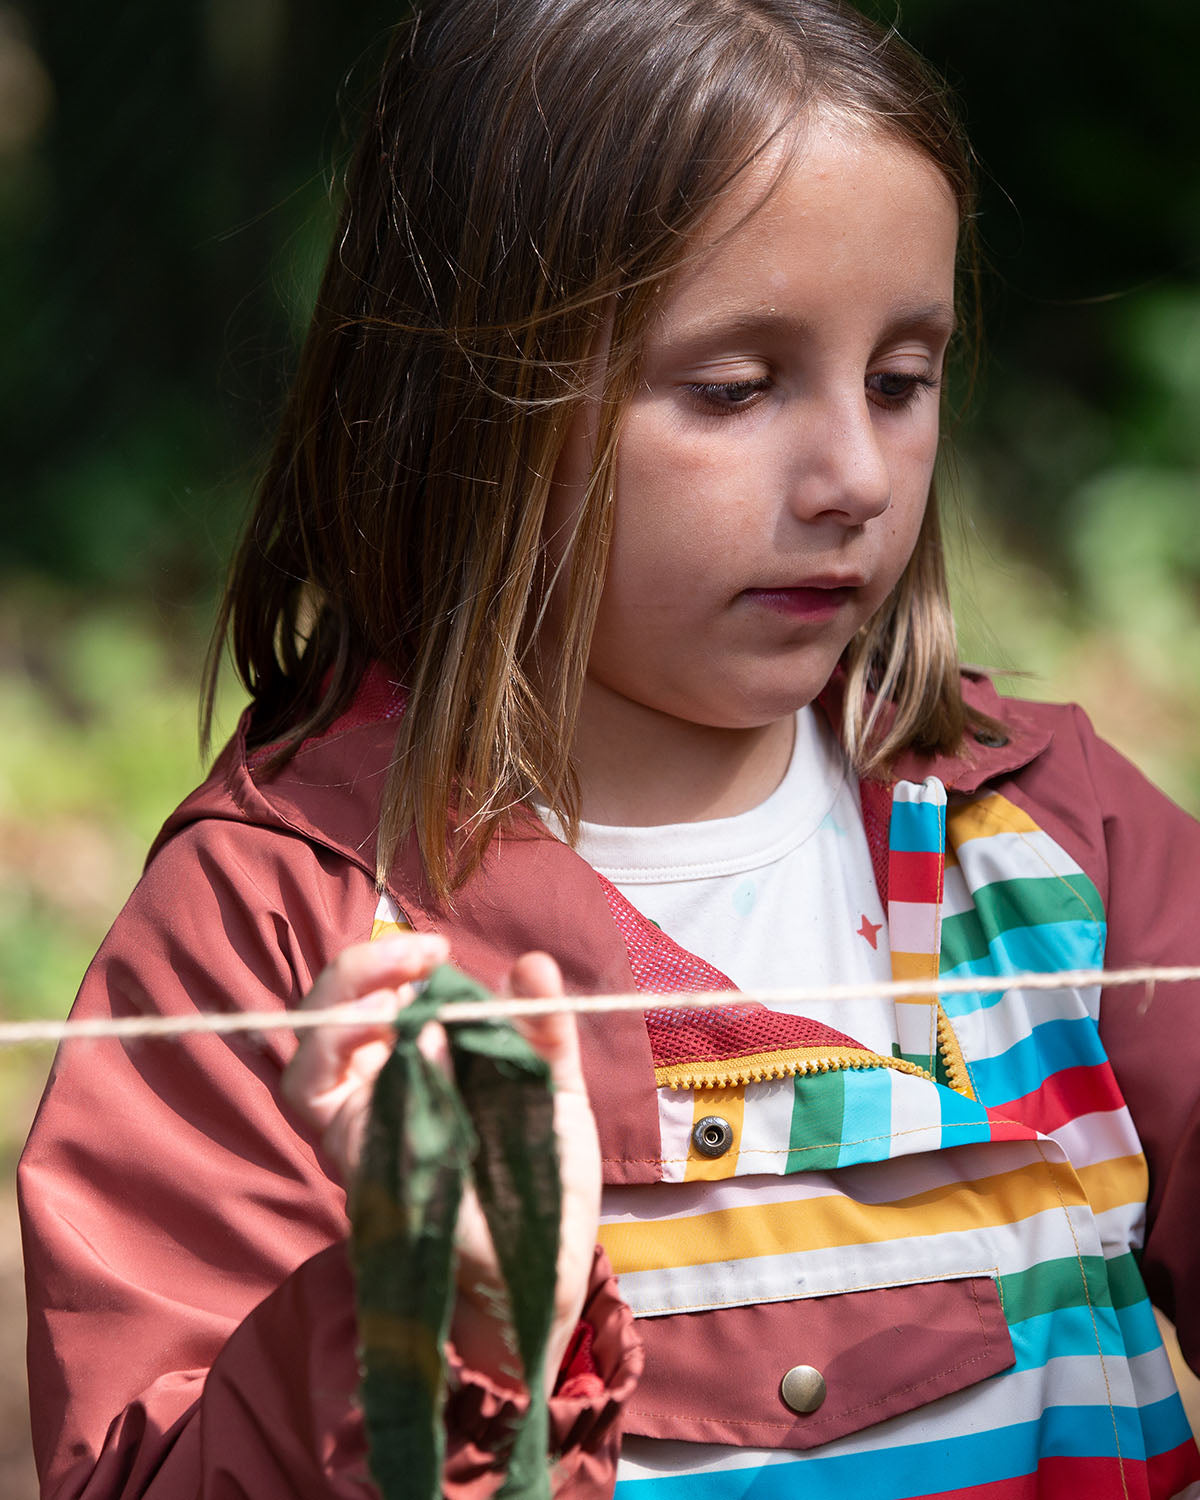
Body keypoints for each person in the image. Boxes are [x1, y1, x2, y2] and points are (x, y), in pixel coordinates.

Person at [19, 0, 1200, 1496]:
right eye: (735, 387)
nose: (853, 475)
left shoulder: (1060, 839)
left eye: (900, 381)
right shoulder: (284, 932)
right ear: (467, 402)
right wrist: (435, 1323)